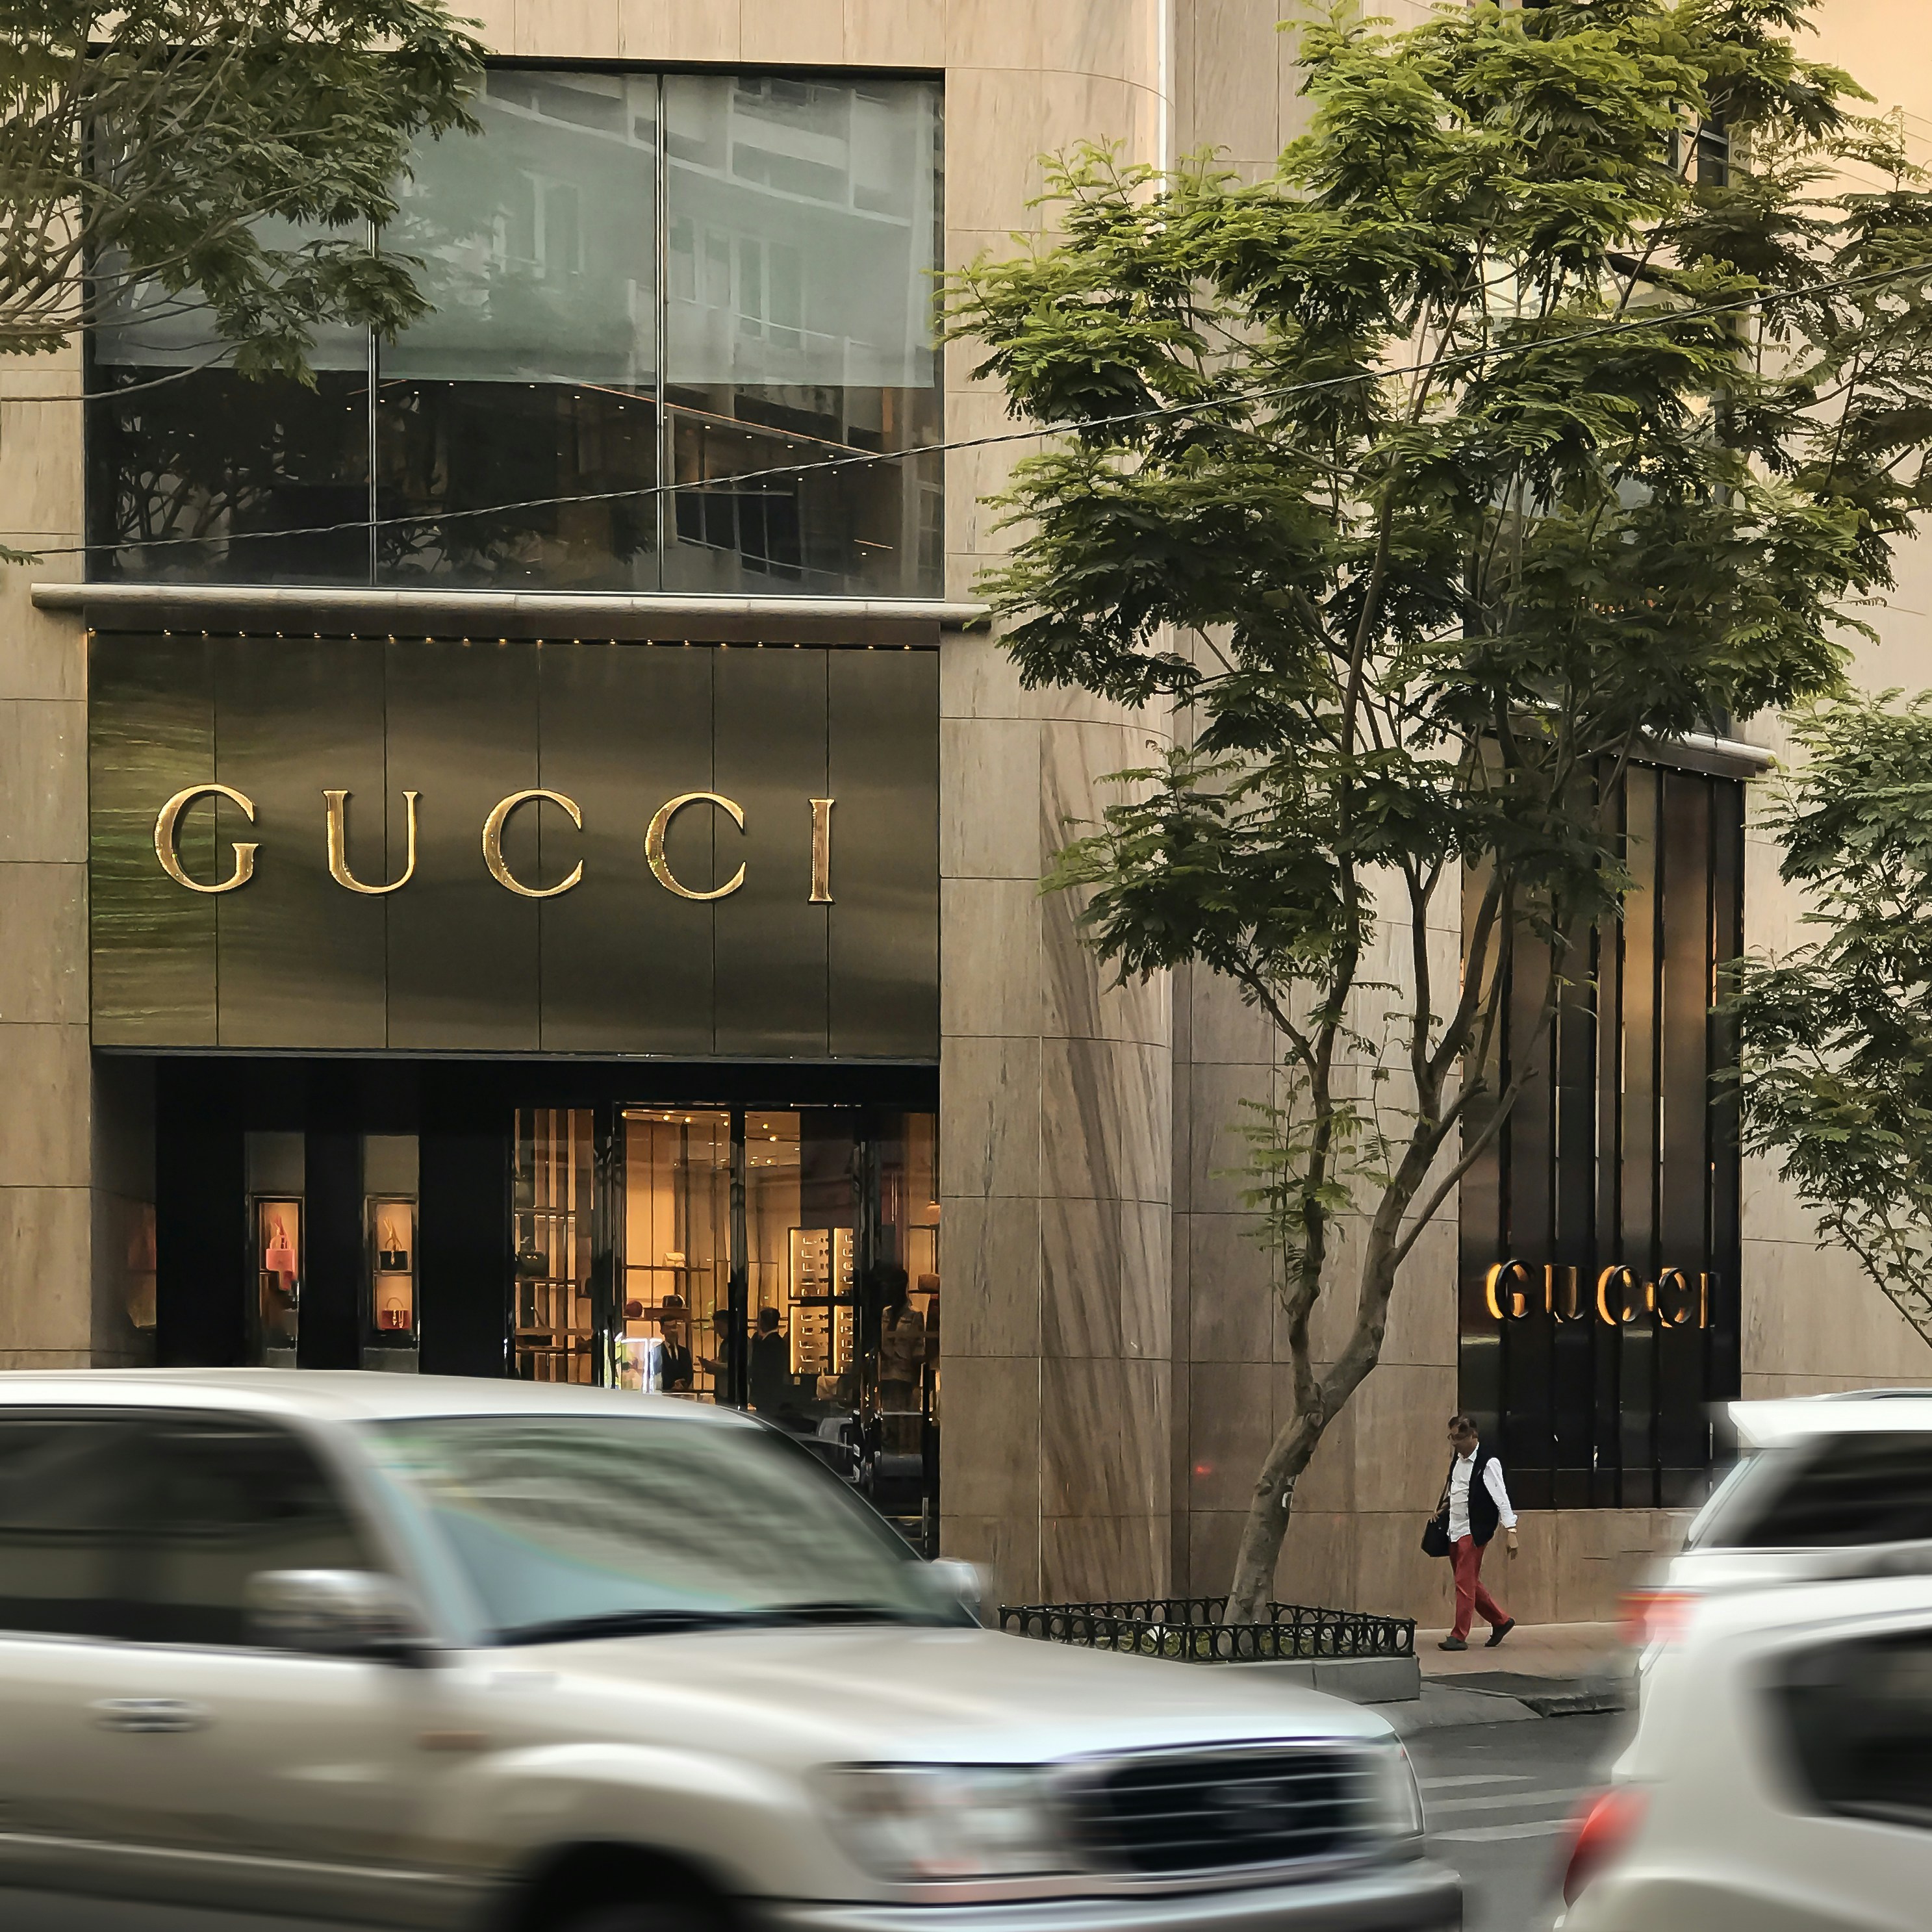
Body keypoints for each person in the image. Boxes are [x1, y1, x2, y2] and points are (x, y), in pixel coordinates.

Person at [1435, 1412, 1518, 1651]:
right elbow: (1459, 1488)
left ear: (1473, 1436)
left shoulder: (1488, 1462)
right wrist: (1445, 1506)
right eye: (1451, 1438)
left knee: (1463, 1582)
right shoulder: (1458, 1459)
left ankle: (1459, 1636)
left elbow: (1502, 1498)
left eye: (1459, 1438)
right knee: (1469, 1582)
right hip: (1454, 1527)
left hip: (1475, 1529)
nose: (1455, 1443)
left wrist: (1511, 1530)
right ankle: (1501, 1621)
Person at [748, 1305, 791, 1415]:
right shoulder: (776, 1342)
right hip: (772, 1392)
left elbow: (761, 1368)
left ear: (763, 1322)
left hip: (767, 1393)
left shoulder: (769, 1343)